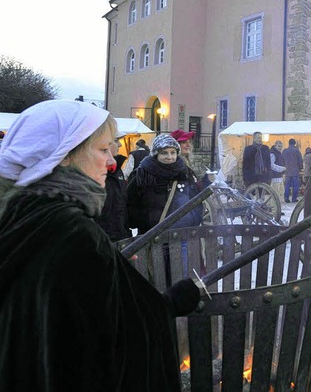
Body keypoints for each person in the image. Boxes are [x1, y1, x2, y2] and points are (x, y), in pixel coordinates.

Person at [0, 100, 201, 391]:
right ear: (64, 155)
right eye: (103, 149)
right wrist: (169, 304)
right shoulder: (71, 233)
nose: (111, 161)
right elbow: (114, 336)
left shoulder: (24, 214)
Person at [96, 131, 132, 241]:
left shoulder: (118, 169)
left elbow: (122, 206)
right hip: (100, 241)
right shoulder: (92, 170)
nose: (120, 145)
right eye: (116, 141)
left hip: (120, 238)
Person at [282, 138, 304, 203]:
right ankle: (294, 198)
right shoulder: (297, 151)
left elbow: (282, 160)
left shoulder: (284, 151)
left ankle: (286, 197)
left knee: (287, 185)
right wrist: (300, 168)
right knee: (295, 186)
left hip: (287, 170)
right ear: (294, 143)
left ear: (289, 143)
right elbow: (300, 160)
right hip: (295, 171)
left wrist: (283, 168)